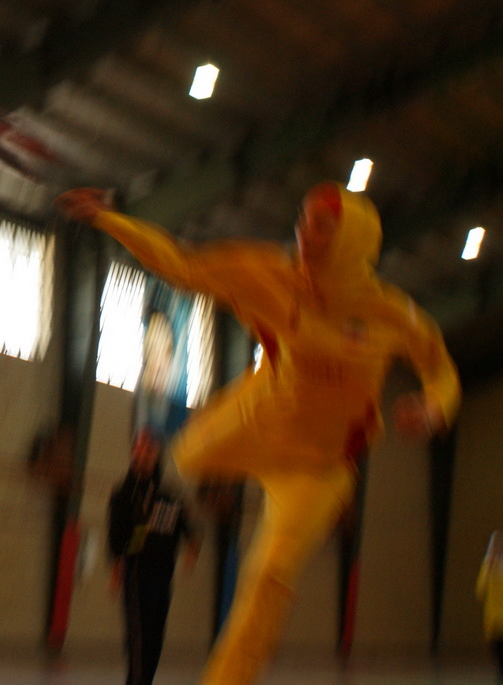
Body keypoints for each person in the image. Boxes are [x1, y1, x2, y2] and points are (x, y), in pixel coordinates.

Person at [57, 182, 461, 685]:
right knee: (184, 453)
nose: (304, 233)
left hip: (319, 470)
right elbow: (182, 266)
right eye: (303, 220)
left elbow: (441, 370)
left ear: (351, 242)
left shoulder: (392, 313)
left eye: (321, 227)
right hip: (257, 425)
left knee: (269, 575)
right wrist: (110, 219)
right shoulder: (266, 272)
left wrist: (433, 409)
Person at [107, 426, 201, 685]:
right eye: (140, 448)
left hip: (162, 574)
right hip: (137, 574)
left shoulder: (168, 494)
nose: (144, 454)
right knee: (138, 639)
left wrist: (192, 546)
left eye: (149, 449)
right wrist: (116, 567)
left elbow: (187, 526)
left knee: (155, 638)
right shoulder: (124, 493)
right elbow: (115, 534)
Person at [476, 531, 503, 681]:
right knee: (496, 647)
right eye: (494, 546)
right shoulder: (487, 565)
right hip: (493, 616)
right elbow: (480, 591)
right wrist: (488, 569)